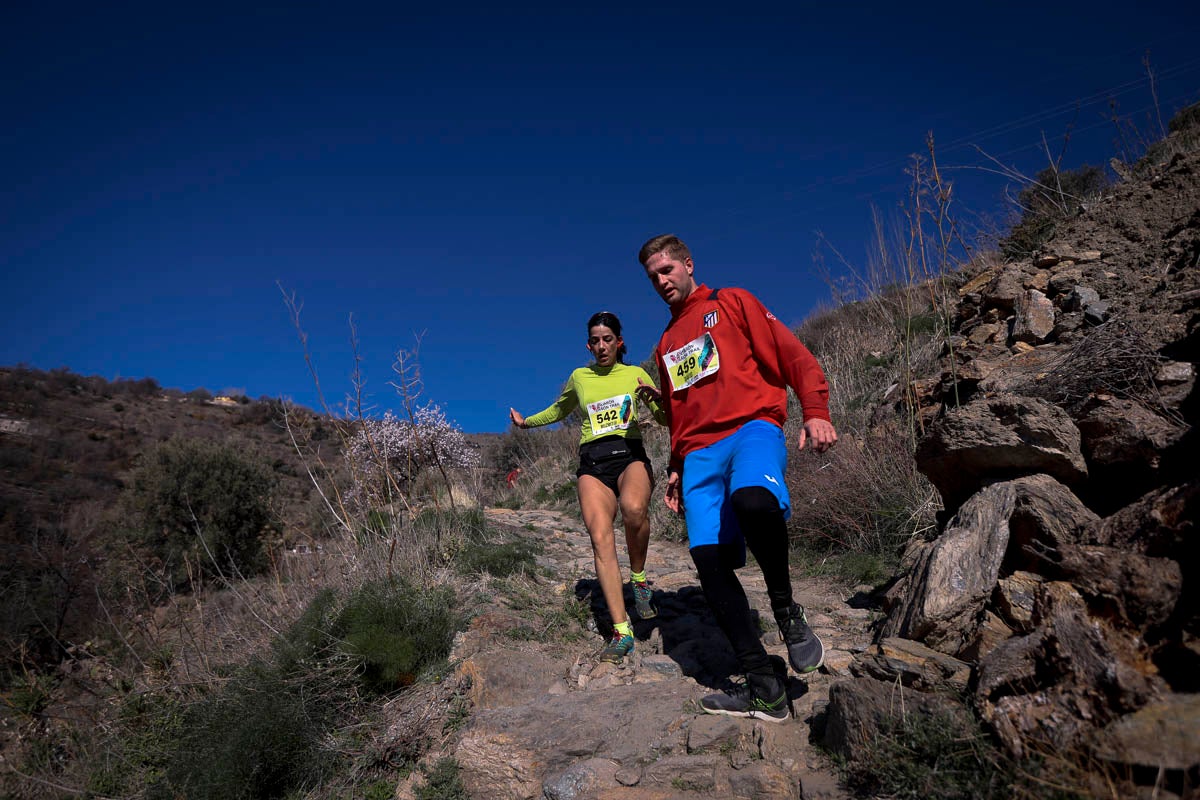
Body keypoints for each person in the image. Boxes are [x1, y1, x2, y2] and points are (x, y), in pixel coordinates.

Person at [634, 234, 838, 723]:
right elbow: (681, 413)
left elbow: (792, 354)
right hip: (698, 456)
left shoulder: (731, 302)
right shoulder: (664, 345)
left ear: (687, 265)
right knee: (708, 562)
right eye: (652, 276)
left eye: (667, 269)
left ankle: (787, 613)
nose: (661, 281)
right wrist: (677, 467)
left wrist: (815, 409)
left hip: (751, 429)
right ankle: (764, 686)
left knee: (753, 502)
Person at [509, 311, 667, 664]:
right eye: (595, 341)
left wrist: (658, 398)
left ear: (619, 342)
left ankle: (639, 580)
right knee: (600, 538)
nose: (601, 346)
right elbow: (559, 409)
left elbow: (664, 418)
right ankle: (621, 631)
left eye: (607, 339)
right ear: (588, 345)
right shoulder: (580, 377)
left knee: (634, 510)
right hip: (592, 463)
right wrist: (526, 424)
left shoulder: (635, 374)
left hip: (629, 455)